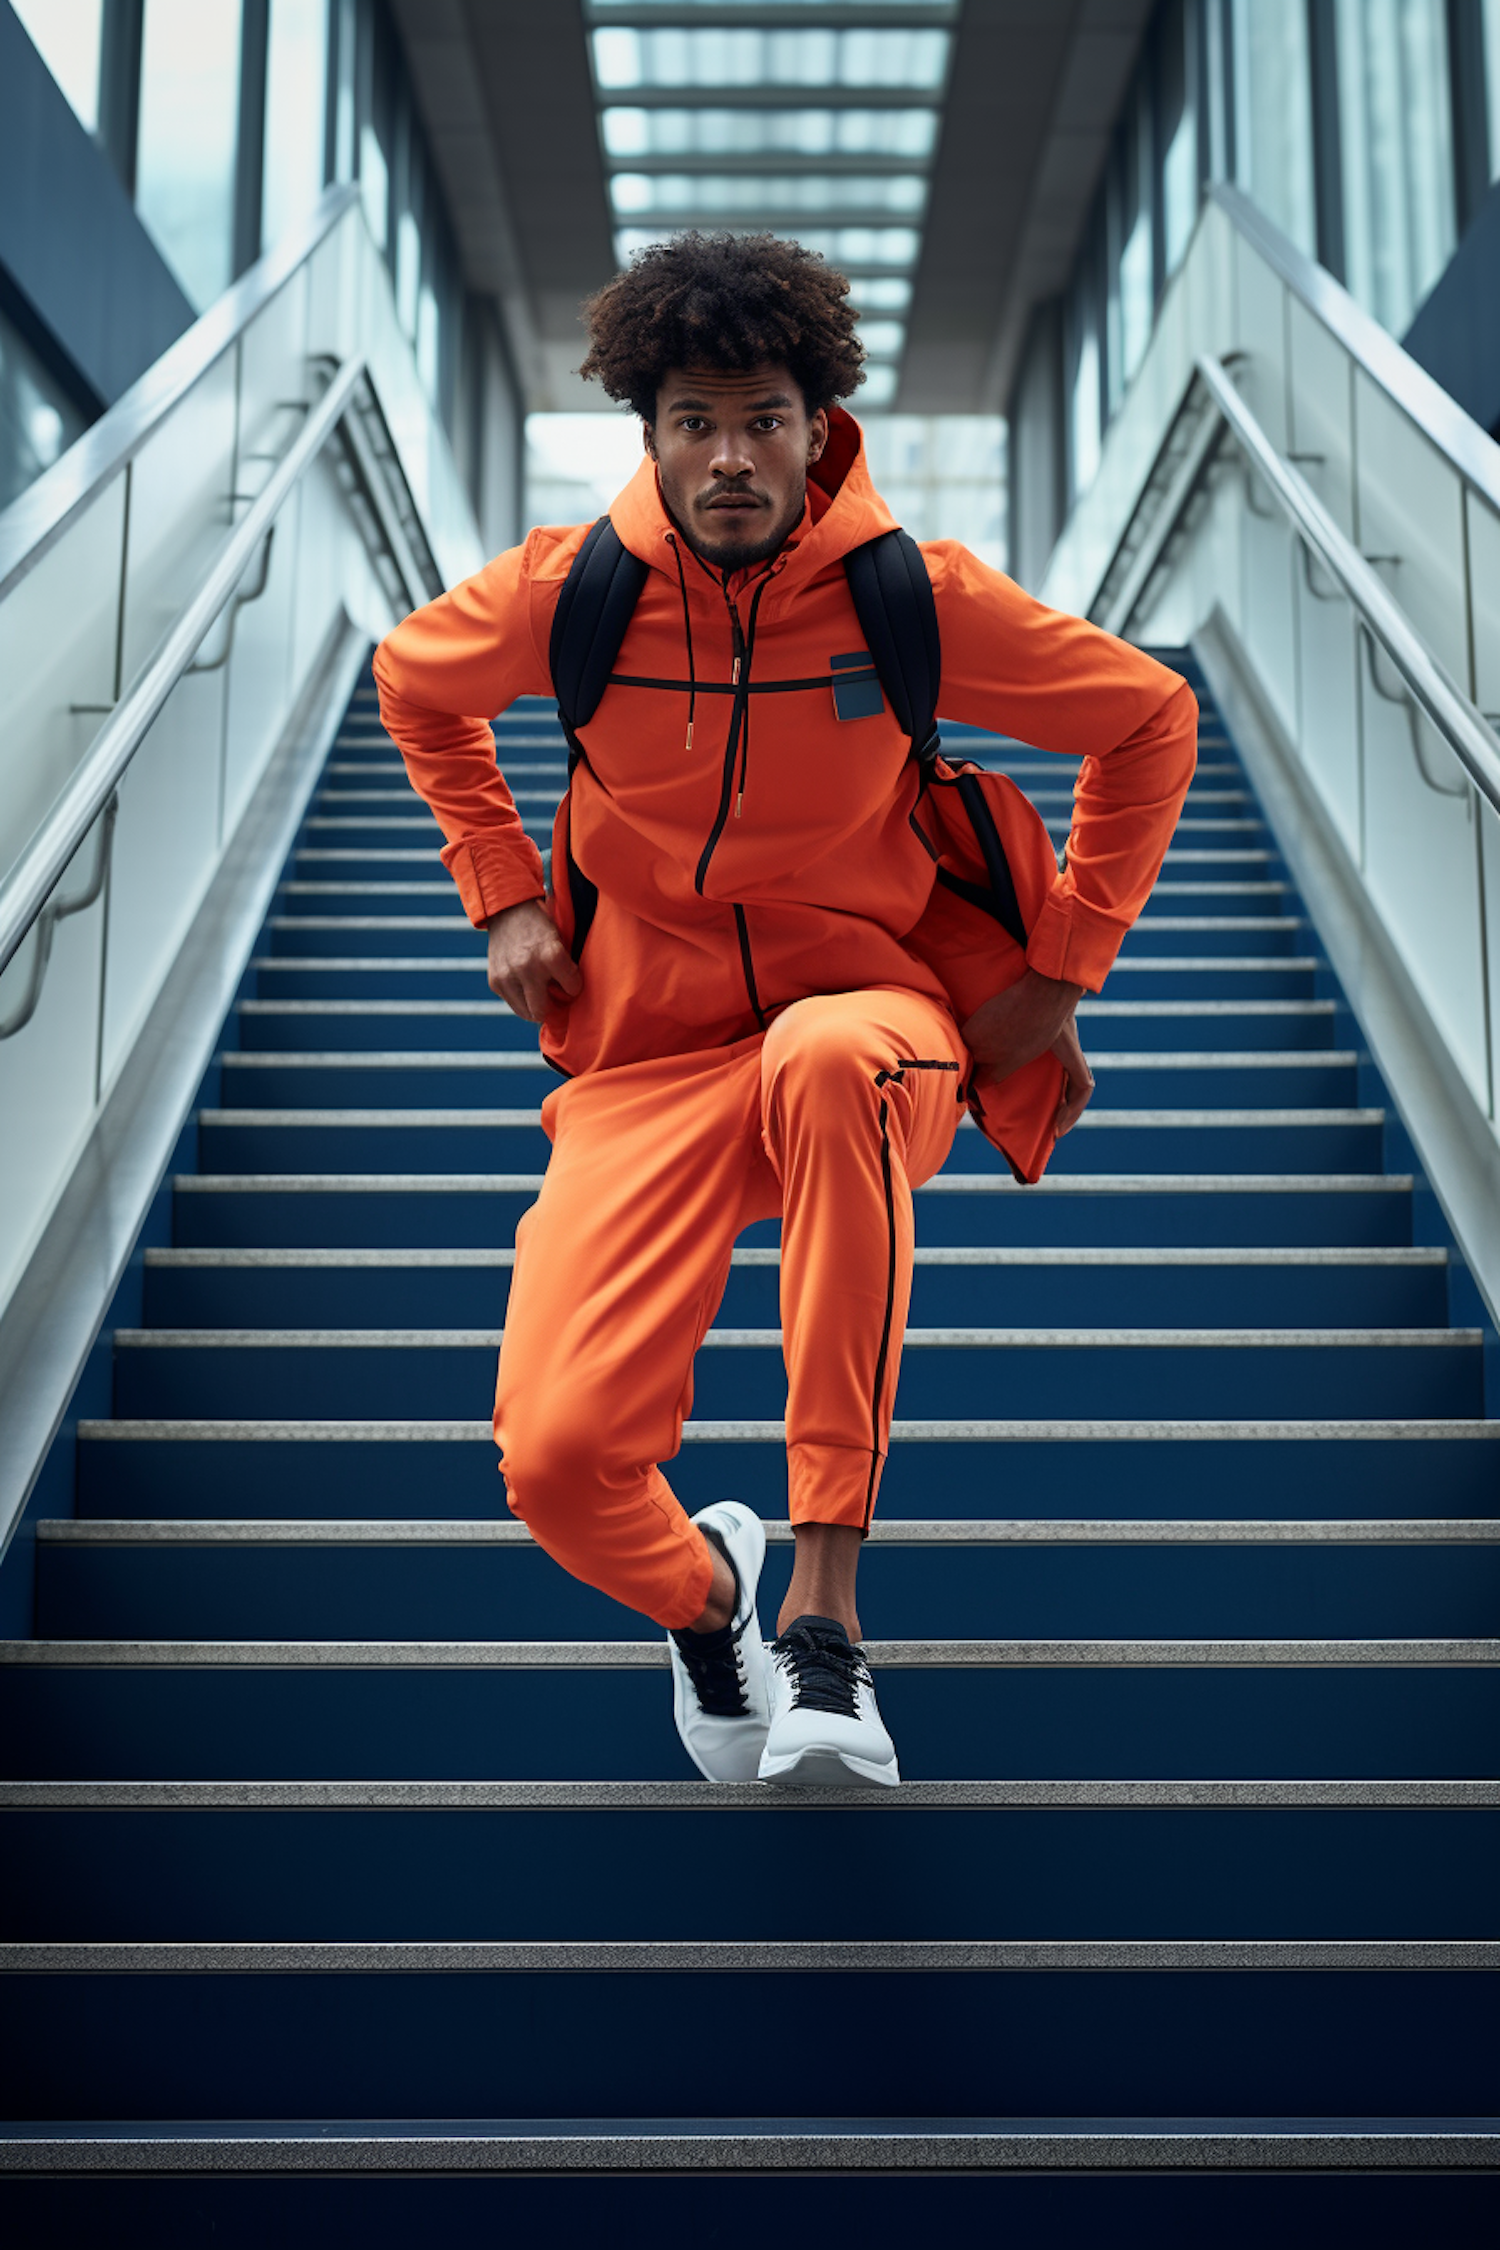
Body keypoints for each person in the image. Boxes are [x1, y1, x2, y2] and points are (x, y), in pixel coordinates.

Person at [374, 232, 1197, 1790]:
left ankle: (827, 1618)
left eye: (764, 420)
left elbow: (1150, 716)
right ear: (650, 433)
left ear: (819, 428)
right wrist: (499, 888)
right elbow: (414, 679)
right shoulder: (574, 594)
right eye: (696, 421)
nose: (731, 457)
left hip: (868, 1017)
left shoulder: (911, 599)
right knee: (552, 1461)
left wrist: (1064, 967)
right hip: (643, 1059)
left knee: (828, 1057)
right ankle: (715, 1603)